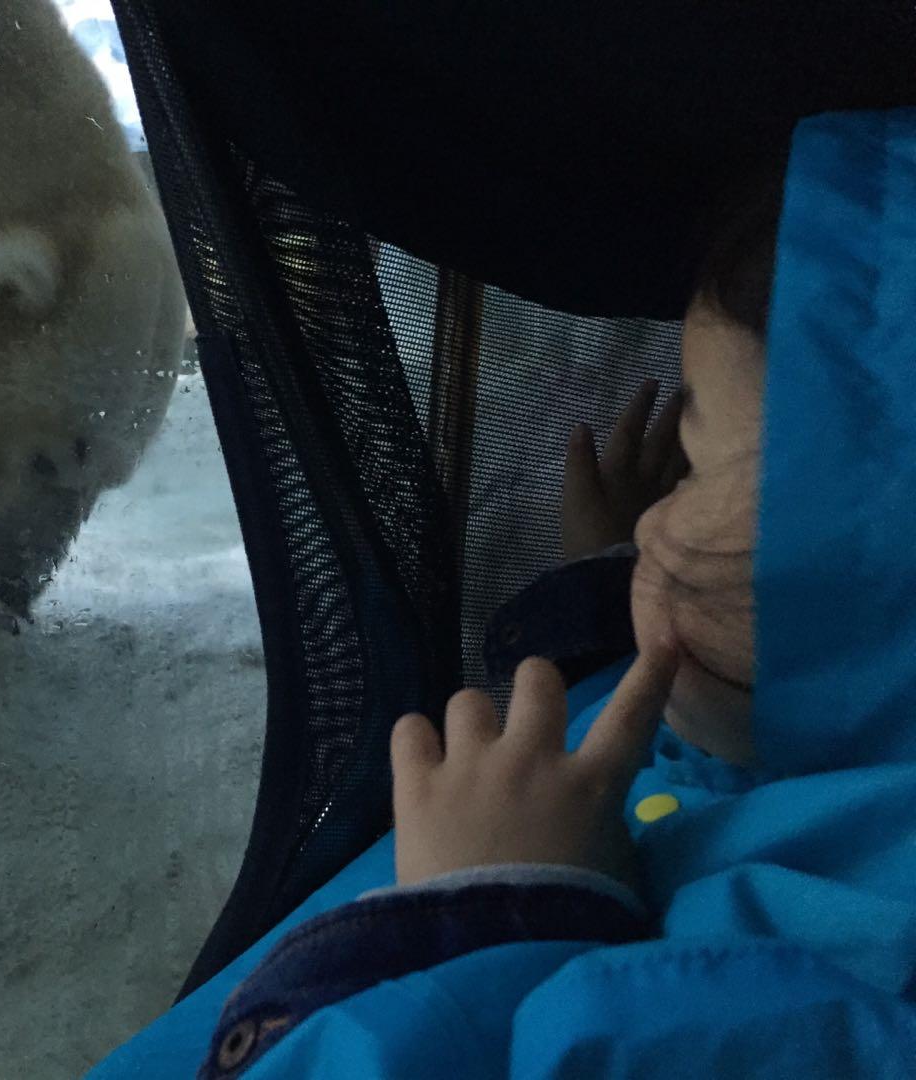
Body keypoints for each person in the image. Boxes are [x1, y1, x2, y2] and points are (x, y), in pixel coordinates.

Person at [168, 109, 916, 1078]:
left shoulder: (816, 1009)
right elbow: (722, 735)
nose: (654, 522)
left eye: (697, 468)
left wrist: (483, 920)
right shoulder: (814, 737)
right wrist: (609, 586)